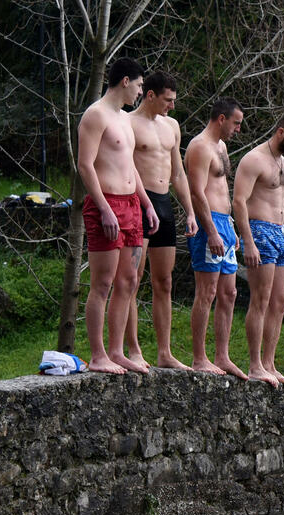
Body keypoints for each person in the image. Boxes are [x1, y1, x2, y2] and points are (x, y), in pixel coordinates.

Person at [77, 57, 159, 374]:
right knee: (103, 282)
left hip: (131, 206)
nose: (140, 92)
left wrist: (147, 204)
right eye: (139, 85)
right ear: (125, 81)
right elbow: (85, 165)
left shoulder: (124, 119)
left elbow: (130, 166)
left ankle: (116, 351)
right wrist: (104, 208)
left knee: (128, 281)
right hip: (106, 205)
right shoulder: (95, 115)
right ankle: (98, 355)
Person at [125, 71, 198, 370]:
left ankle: (164, 352)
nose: (172, 106)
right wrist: (142, 204)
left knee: (164, 281)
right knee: (131, 279)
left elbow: (178, 172)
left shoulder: (172, 126)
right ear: (150, 95)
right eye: (168, 100)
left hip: (164, 203)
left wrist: (190, 211)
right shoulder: (128, 123)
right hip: (138, 203)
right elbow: (124, 169)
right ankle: (133, 349)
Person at [232, 112, 284, 387]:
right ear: (281, 133)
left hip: (281, 234)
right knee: (260, 300)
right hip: (260, 231)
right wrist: (248, 240)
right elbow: (239, 201)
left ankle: (270, 363)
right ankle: (255, 365)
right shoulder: (253, 160)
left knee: (280, 301)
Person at [183, 97, 247, 379]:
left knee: (229, 293)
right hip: (208, 224)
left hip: (225, 223)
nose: (238, 130)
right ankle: (200, 358)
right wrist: (210, 231)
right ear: (221, 118)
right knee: (206, 292)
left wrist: (231, 228)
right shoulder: (199, 147)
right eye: (236, 123)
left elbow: (222, 189)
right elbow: (197, 193)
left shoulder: (221, 147)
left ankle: (222, 356)